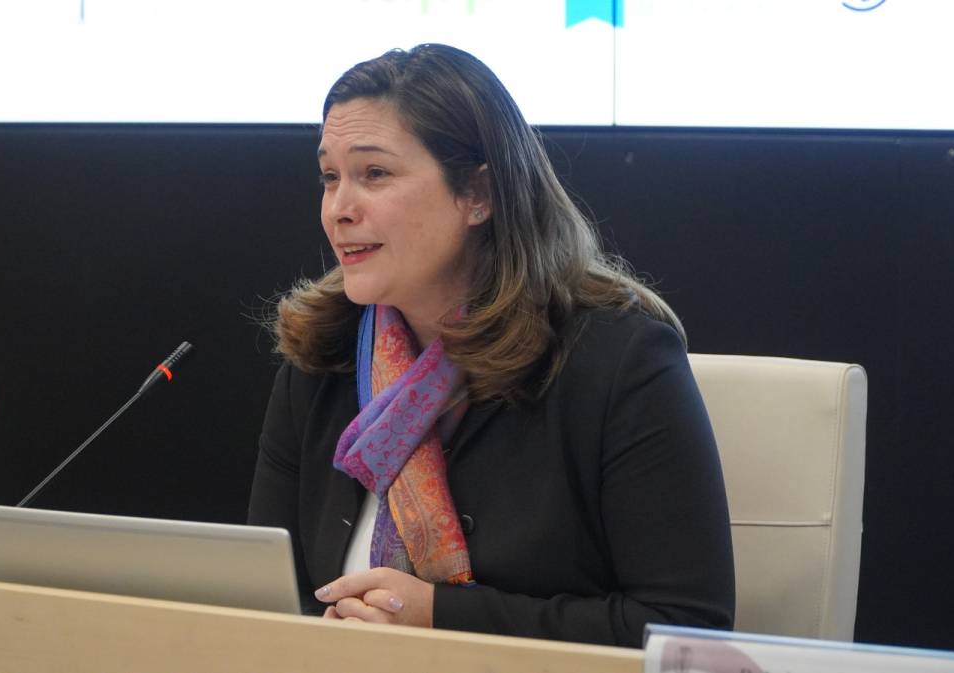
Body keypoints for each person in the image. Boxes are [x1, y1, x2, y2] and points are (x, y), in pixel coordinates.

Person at [248, 43, 734, 648]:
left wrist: (441, 618)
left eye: (374, 174)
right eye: (330, 177)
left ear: (477, 193)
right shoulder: (323, 356)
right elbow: (266, 601)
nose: (338, 210)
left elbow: (687, 628)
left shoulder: (618, 363)